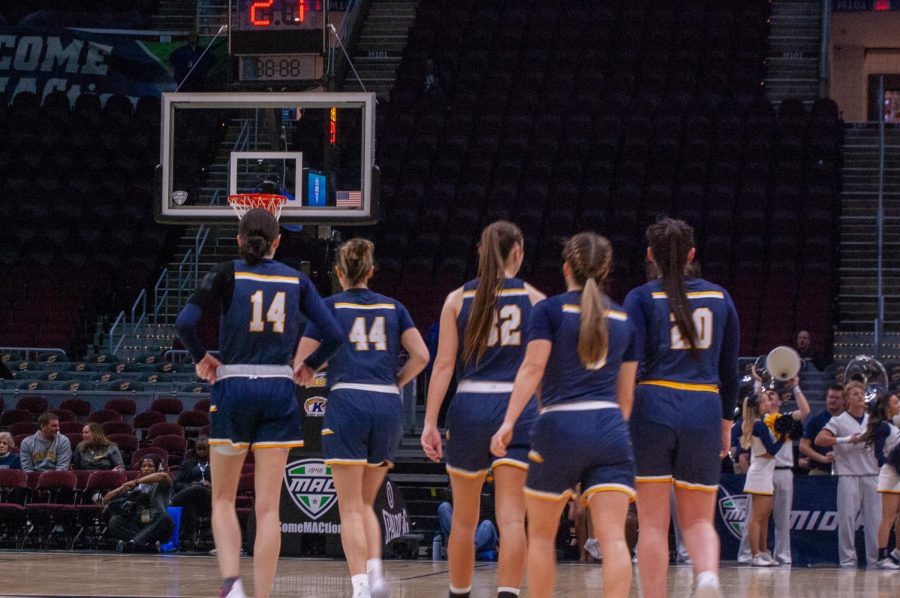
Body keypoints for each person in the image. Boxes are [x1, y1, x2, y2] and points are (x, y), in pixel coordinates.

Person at [175, 208, 343, 598]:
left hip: (233, 387)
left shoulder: (226, 272)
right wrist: (309, 366)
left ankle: (232, 585)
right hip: (278, 390)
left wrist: (202, 356)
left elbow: (184, 322)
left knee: (222, 498)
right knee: (268, 509)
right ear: (278, 242)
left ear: (238, 239)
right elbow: (333, 334)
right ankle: (263, 594)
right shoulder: (296, 279)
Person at [491, 231, 637, 598]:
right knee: (614, 540)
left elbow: (531, 369)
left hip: (558, 427)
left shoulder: (549, 310)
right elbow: (626, 398)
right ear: (605, 270)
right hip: (610, 430)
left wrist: (509, 422)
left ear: (566, 268)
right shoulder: (624, 318)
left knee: (540, 536)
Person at [294, 238, 429, 598]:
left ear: (339, 273)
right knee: (367, 502)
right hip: (386, 404)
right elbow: (421, 355)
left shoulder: (329, 306)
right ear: (371, 271)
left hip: (348, 401)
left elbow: (304, 362)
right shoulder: (394, 307)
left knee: (350, 507)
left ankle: (360, 588)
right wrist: (397, 381)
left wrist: (318, 364)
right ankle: (376, 571)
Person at [420, 220, 544, 598]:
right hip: (516, 409)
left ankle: (460, 593)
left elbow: (442, 366)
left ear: (480, 252)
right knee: (511, 520)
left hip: (470, 406)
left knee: (463, 519)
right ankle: (508, 593)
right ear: (518, 253)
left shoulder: (457, 299)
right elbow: (539, 371)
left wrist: (429, 422)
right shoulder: (537, 300)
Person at [623, 218, 739, 598]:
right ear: (692, 254)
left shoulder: (640, 298)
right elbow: (729, 369)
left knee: (654, 525)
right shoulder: (721, 298)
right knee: (698, 520)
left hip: (653, 403)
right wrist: (726, 423)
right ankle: (706, 576)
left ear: (650, 255)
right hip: (704, 405)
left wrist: (621, 416)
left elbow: (631, 364)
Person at [739, 382, 809, 567]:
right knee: (757, 517)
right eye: (764, 401)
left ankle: (763, 552)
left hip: (765, 471)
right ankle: (755, 554)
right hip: (760, 472)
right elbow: (771, 450)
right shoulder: (759, 425)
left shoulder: (760, 423)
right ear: (760, 406)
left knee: (764, 516)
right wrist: (784, 436)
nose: (767, 403)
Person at [815, 381, 881, 568]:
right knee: (847, 520)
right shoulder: (838, 420)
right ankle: (848, 560)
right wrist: (845, 440)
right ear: (846, 400)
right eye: (855, 394)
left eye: (861, 393)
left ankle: (874, 560)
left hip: (871, 475)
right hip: (848, 475)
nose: (860, 396)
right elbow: (820, 439)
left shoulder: (873, 420)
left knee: (874, 521)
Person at [859, 392, 900, 569]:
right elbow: (878, 454)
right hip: (891, 474)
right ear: (886, 406)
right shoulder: (883, 426)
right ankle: (882, 555)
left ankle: (897, 552)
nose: (899, 404)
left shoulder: (895, 424)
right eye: (896, 402)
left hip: (899, 473)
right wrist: (892, 466)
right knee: (888, 517)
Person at [103, 454, 173, 553]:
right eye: (143, 466)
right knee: (115, 521)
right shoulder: (135, 487)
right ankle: (144, 545)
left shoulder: (161, 484)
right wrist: (121, 489)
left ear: (157, 468)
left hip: (156, 524)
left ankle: (134, 542)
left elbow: (164, 476)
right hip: (138, 523)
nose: (146, 469)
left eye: (150, 466)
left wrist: (136, 482)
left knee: (164, 517)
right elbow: (105, 499)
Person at [170, 436, 212, 551]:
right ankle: (192, 544)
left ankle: (171, 501)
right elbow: (176, 483)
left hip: (211, 497)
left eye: (205, 448)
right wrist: (190, 486)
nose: (202, 451)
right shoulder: (187, 464)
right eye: (199, 449)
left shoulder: (218, 463)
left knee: (199, 488)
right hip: (190, 497)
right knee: (189, 504)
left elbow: (226, 484)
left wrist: (211, 485)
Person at [799, 384, 845, 475]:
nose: (833, 400)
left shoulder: (849, 419)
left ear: (844, 400)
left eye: (837, 398)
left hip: (846, 470)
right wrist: (823, 459)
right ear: (826, 398)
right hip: (821, 469)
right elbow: (803, 446)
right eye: (831, 397)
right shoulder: (816, 419)